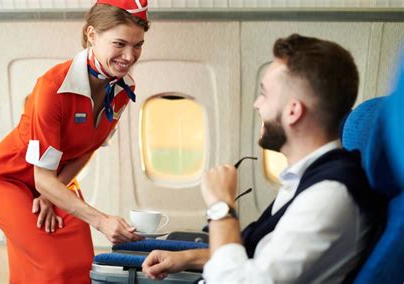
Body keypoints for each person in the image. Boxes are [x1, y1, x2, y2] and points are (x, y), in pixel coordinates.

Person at [142, 34, 385, 283]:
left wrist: (221, 206)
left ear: (293, 111)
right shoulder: (305, 179)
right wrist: (189, 257)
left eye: (265, 94)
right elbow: (264, 257)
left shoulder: (329, 195)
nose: (257, 105)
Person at [0, 0, 149, 282]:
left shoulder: (123, 89)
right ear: (92, 35)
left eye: (138, 45)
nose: (129, 56)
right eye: (119, 44)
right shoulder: (52, 87)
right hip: (8, 179)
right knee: (52, 266)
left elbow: (88, 147)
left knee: (81, 262)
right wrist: (101, 220)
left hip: (55, 180)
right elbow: (41, 177)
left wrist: (50, 193)